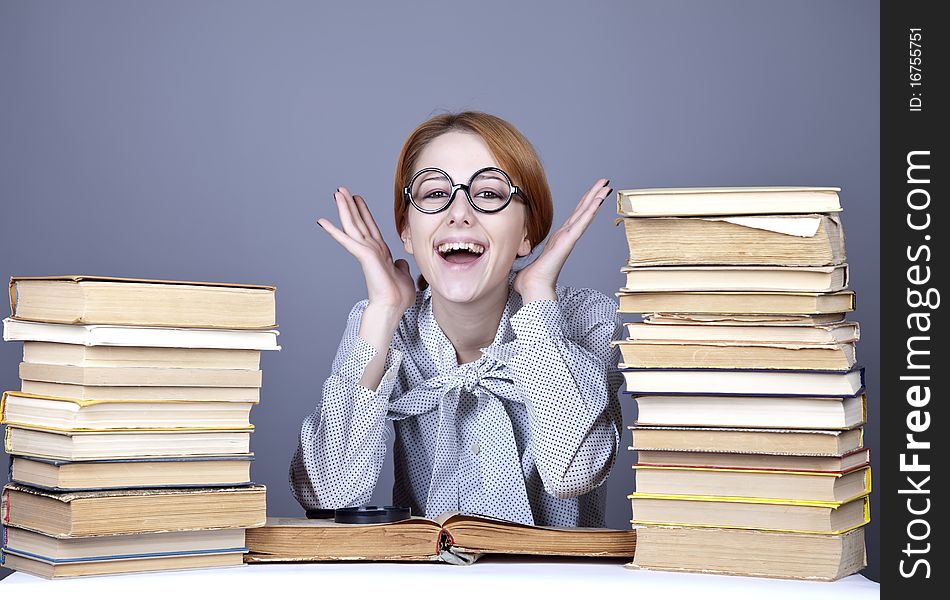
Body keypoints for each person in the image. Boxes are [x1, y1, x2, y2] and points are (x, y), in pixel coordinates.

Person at [290, 111, 623, 527]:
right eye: (434, 194)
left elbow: (573, 474)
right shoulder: (383, 324)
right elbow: (327, 494)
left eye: (488, 193)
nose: (459, 213)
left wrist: (538, 304)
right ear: (407, 232)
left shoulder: (584, 318)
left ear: (526, 234)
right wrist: (382, 314)